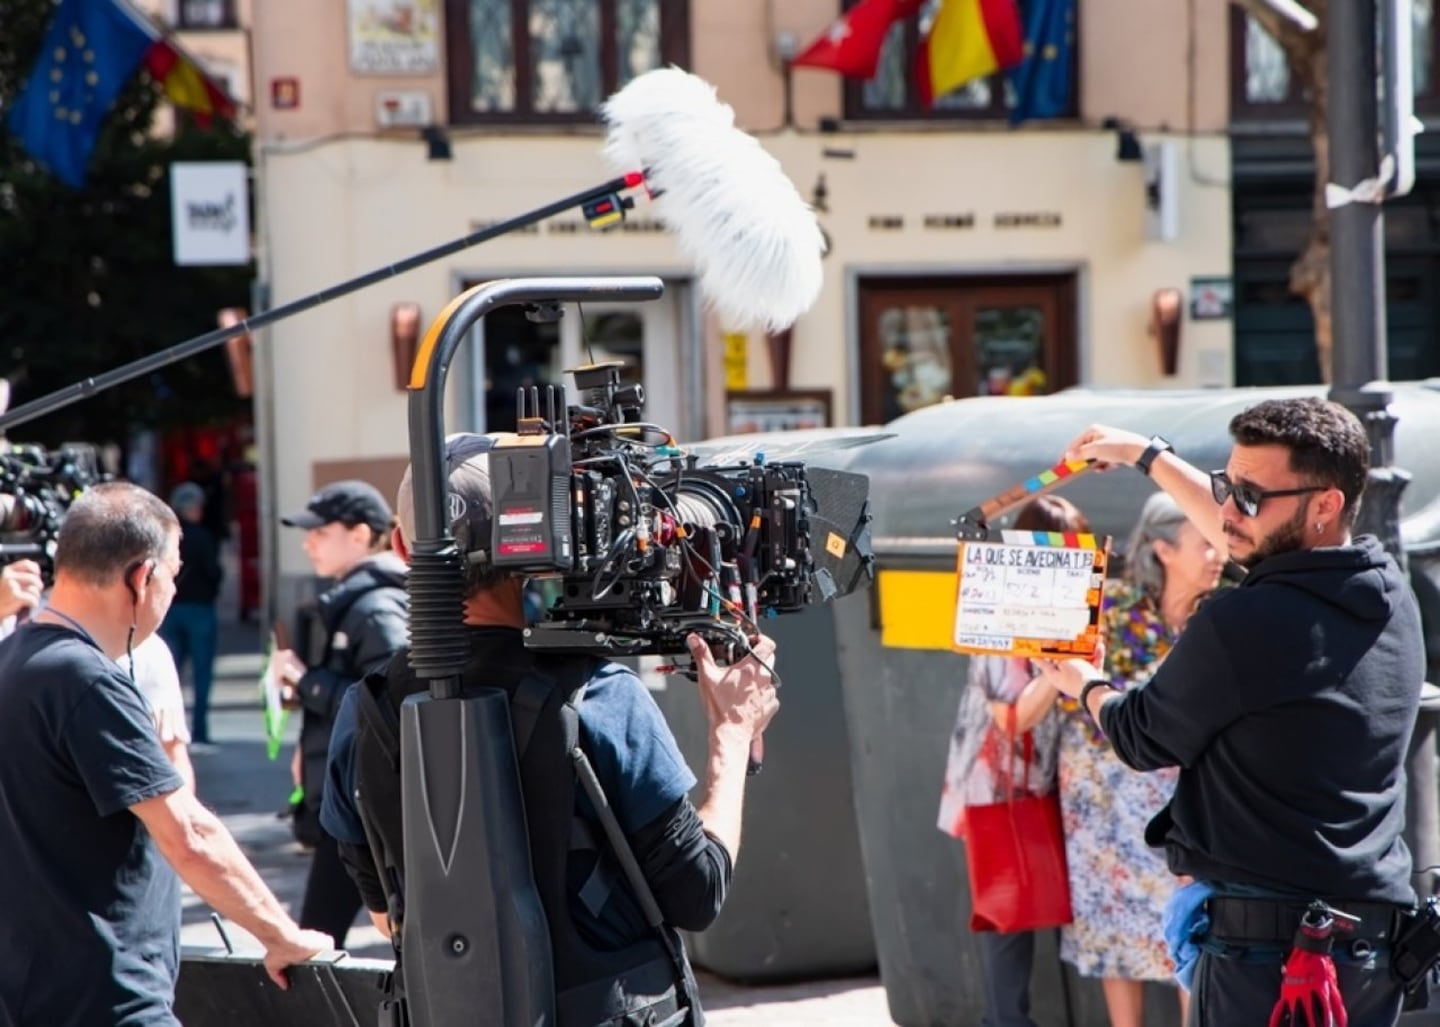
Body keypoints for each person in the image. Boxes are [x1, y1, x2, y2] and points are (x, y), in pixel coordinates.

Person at [321, 433, 779, 1026]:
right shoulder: (600, 694)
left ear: (406, 548)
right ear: (533, 552)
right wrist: (733, 734)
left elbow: (387, 913)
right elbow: (699, 891)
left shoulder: (365, 709)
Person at [1037, 398, 1425, 1026]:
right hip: (1370, 950)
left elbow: (1139, 737)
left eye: (1248, 496)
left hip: (1268, 957)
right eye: (1225, 486)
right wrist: (1147, 456)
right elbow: (1252, 535)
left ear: (1325, 504)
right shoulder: (1389, 596)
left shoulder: (1244, 622)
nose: (1227, 512)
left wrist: (1086, 685)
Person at [0, 481, 331, 1026]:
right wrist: (280, 934)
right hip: (107, 1001)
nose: (173, 590)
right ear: (142, 577)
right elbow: (188, 835)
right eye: (173, 575)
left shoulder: (14, 657)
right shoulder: (86, 680)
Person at [1055, 492, 1221, 1027]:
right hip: (1104, 793)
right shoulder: (1113, 608)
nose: (1219, 554)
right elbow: (1074, 693)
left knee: (1192, 926)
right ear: (1163, 549)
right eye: (1205, 543)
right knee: (1115, 926)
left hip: (1184, 797)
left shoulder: (1222, 616)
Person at [936, 495, 1085, 1027]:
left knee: (1047, 905)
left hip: (1052, 778)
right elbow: (1011, 719)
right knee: (1009, 915)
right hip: (996, 786)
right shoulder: (997, 622)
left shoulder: (1072, 614)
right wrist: (1062, 670)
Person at [276, 479, 408, 948]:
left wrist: (306, 681)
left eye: (320, 531)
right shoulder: (357, 600)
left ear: (360, 535)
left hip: (362, 803)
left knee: (313, 941)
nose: (308, 543)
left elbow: (389, 706)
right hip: (355, 800)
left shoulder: (374, 607)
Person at [160, 480, 223, 745]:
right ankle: (200, 730)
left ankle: (166, 730)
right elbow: (214, 571)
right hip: (200, 609)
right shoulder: (203, 537)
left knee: (167, 673)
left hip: (170, 609)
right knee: (202, 673)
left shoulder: (165, 538)